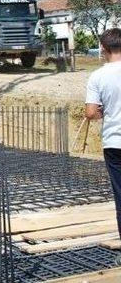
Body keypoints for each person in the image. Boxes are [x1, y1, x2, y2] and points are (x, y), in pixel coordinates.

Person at [85, 28, 121, 251]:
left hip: (115, 142)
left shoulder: (97, 76)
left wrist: (103, 112)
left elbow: (90, 112)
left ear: (104, 49)